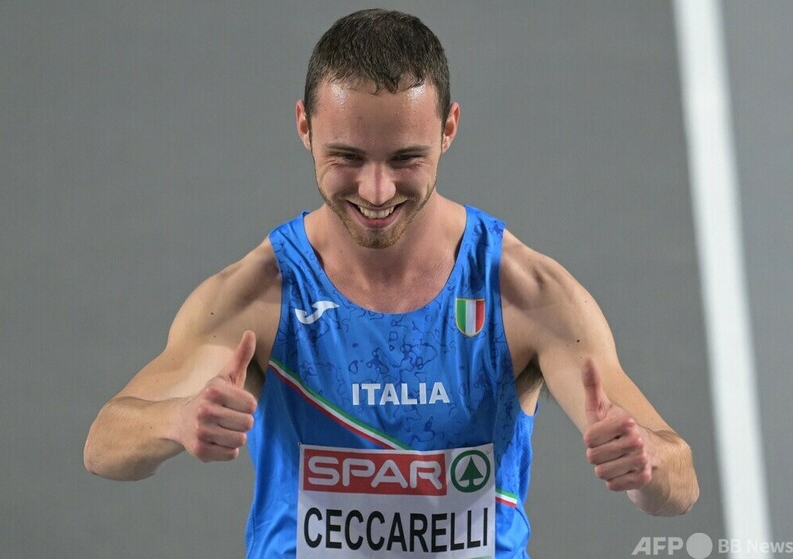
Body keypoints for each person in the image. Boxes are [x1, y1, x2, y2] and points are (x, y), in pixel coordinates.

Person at [84, 8, 699, 558]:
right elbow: (105, 443)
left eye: (406, 158)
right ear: (304, 126)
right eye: (347, 157)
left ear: (448, 129)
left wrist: (644, 463)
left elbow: (681, 483)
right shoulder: (258, 297)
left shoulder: (522, 295)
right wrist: (177, 420)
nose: (376, 192)